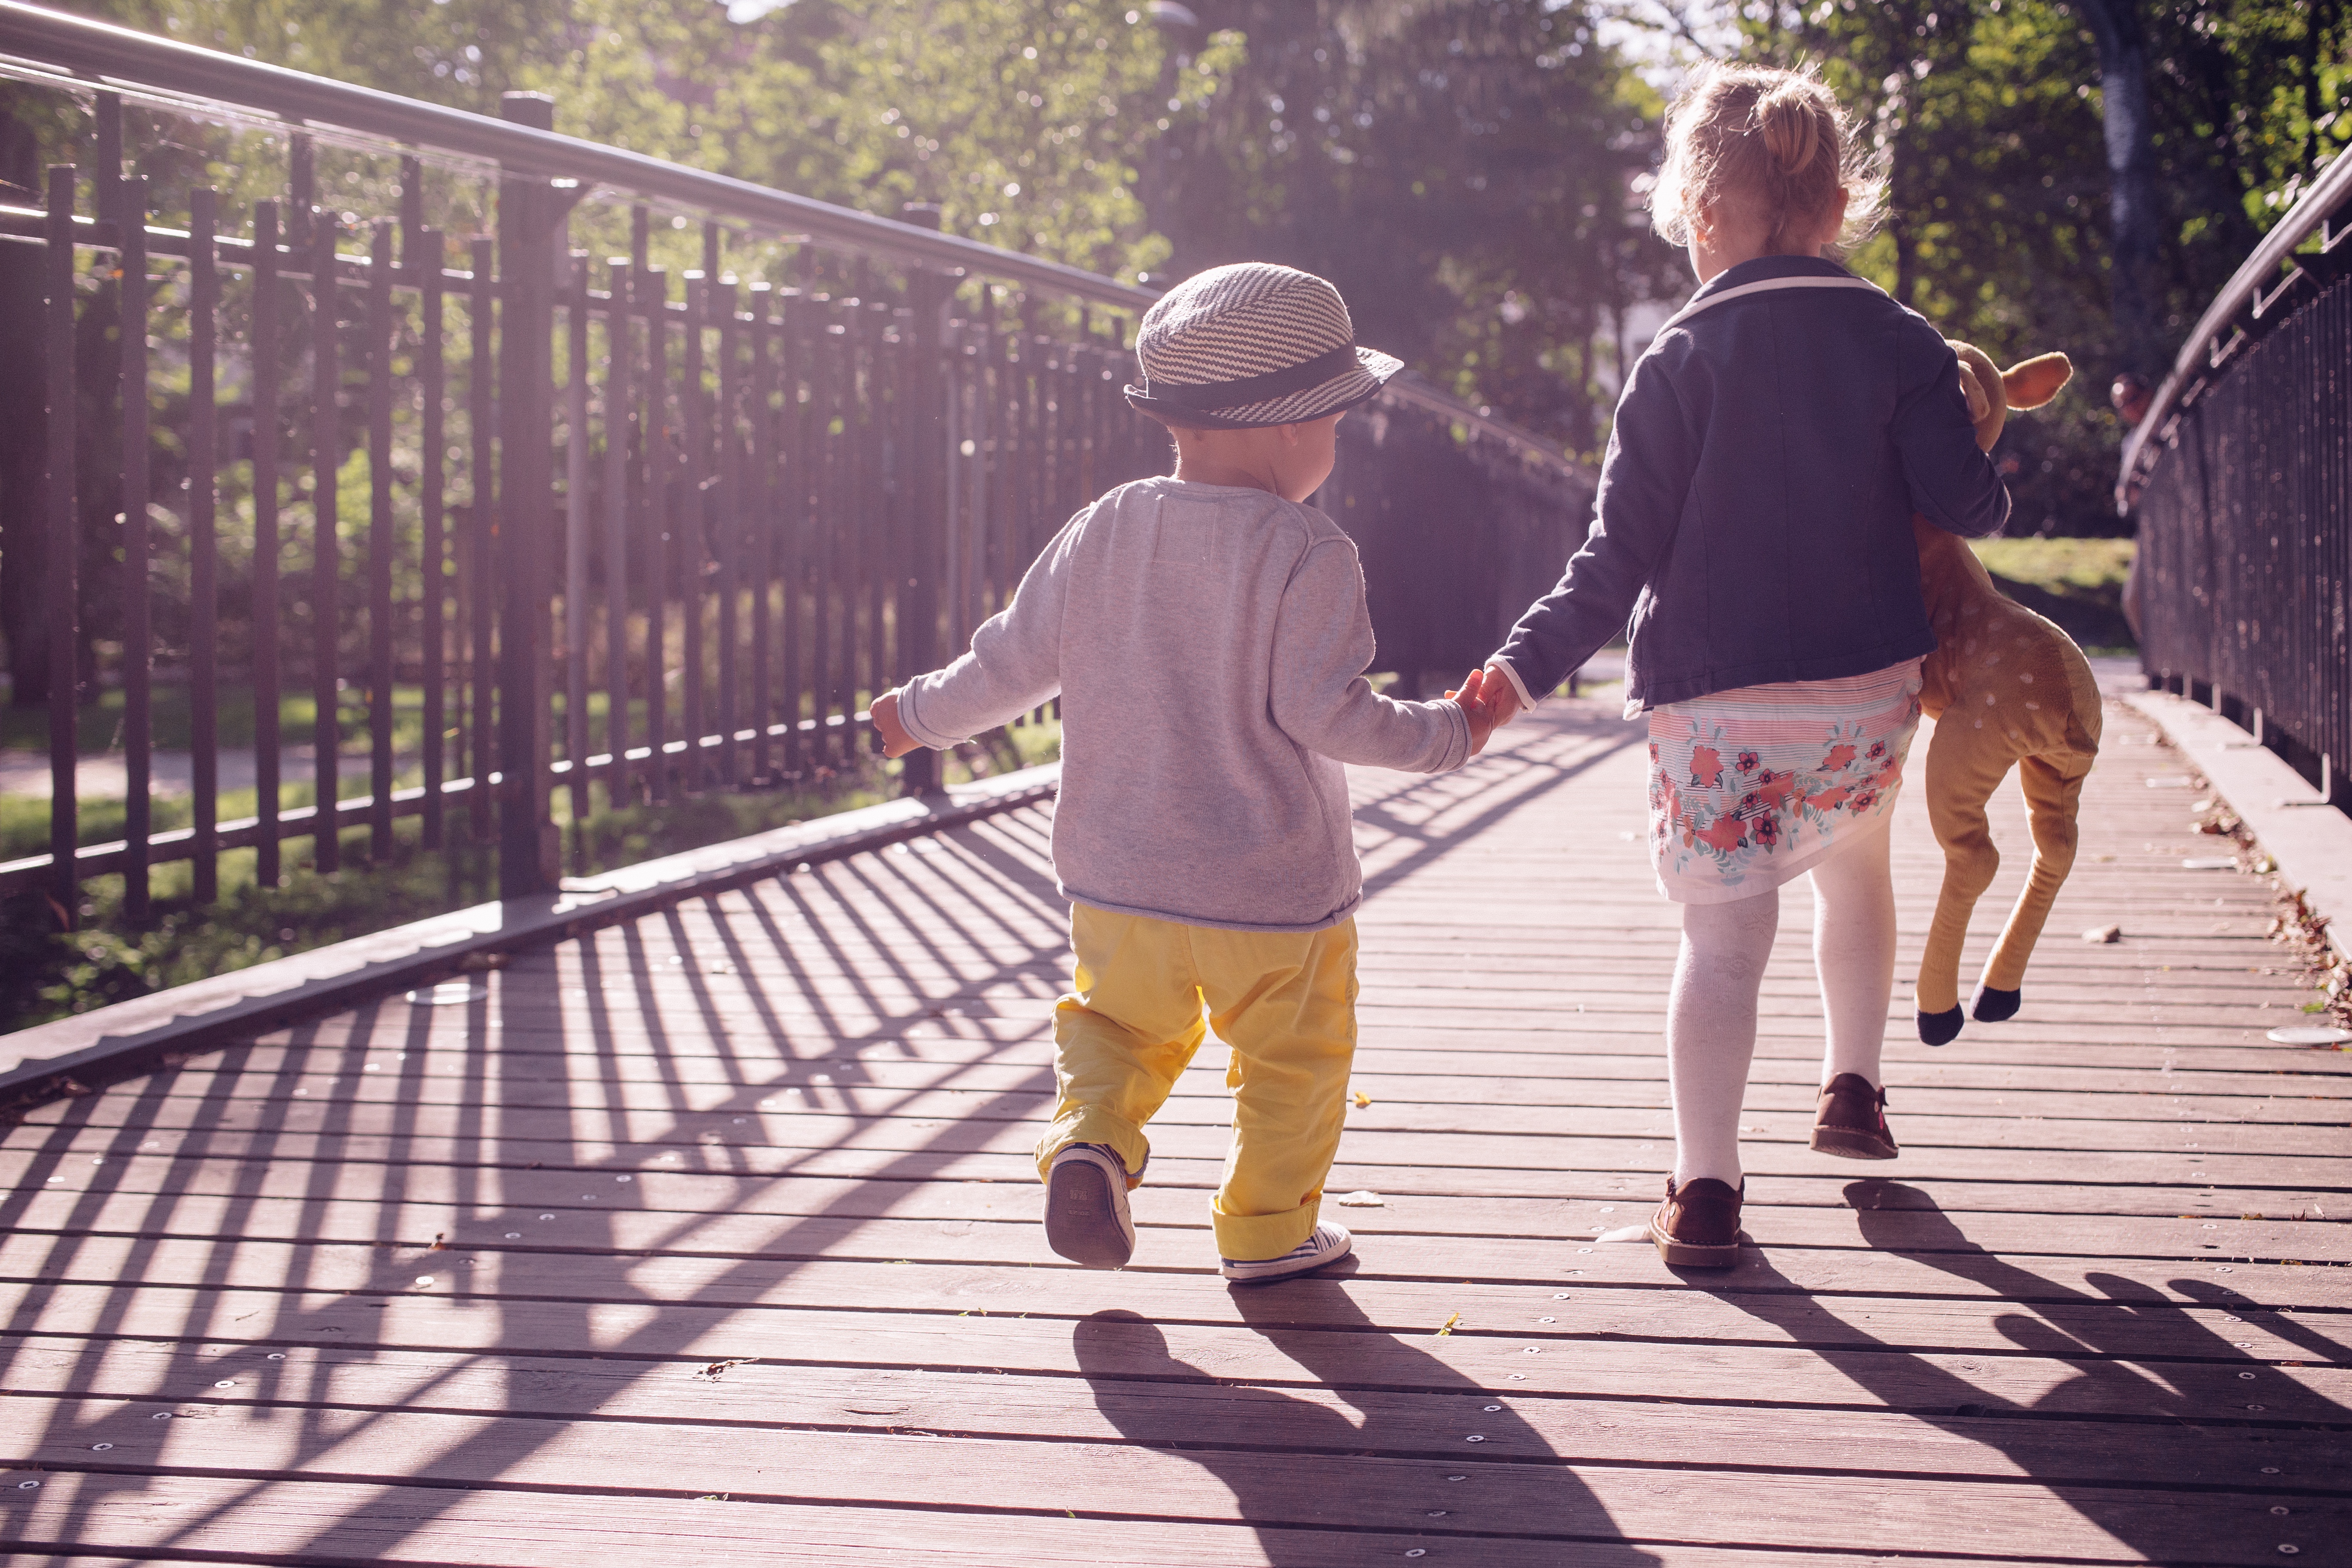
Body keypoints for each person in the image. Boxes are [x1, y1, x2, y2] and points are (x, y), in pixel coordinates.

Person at [1470, 64, 2009, 1267]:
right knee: (1855, 864)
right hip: (1864, 692)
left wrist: (1516, 674)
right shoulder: (1899, 339)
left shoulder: (1675, 360)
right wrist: (1979, 425)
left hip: (1715, 706)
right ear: (1834, 207)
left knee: (1722, 946)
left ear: (1706, 211)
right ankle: (1853, 1090)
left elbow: (1612, 562)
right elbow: (1970, 503)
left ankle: (1705, 1190)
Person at [869, 263, 1496, 1283]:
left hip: (1120, 879)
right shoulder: (1310, 550)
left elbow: (1011, 665)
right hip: (1275, 894)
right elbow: (1326, 714)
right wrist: (1450, 735)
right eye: (1336, 421)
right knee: (1291, 1063)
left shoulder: (1105, 525)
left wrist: (916, 715)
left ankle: (1092, 1145)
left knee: (1115, 1029)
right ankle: (1267, 1229)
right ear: (1292, 428)